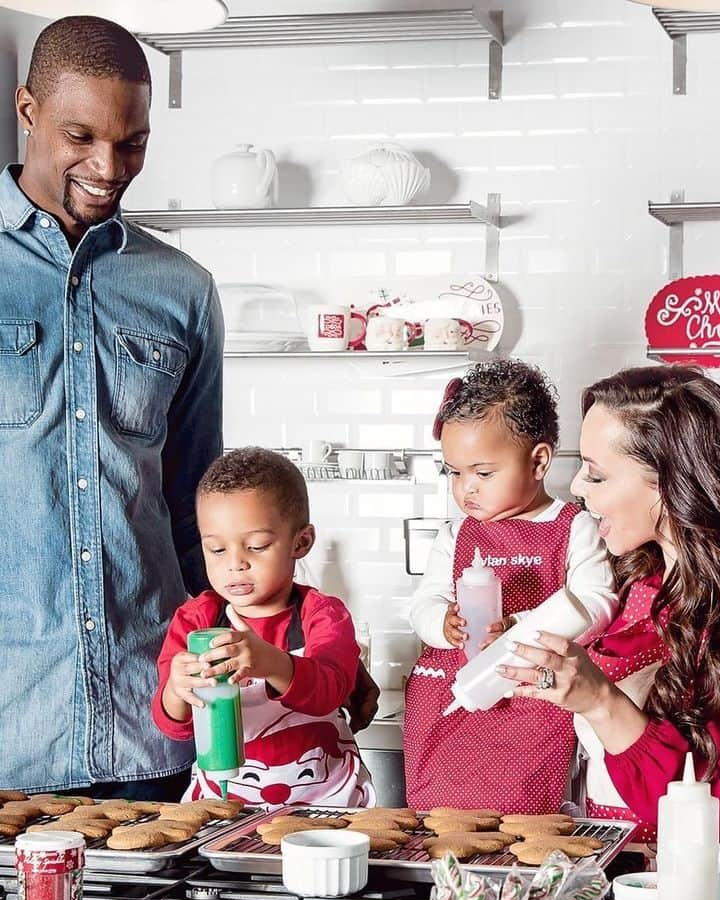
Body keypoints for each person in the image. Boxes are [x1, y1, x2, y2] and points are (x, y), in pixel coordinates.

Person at [0, 16, 223, 798]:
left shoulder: (182, 290)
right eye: (82, 136)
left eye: (132, 143)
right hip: (9, 729)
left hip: (148, 729)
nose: (108, 166)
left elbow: (200, 504)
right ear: (28, 111)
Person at [497, 365, 720, 850]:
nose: (575, 486)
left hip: (715, 883)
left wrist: (600, 701)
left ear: (671, 481)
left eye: (596, 473)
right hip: (620, 861)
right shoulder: (638, 581)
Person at [404, 360, 617, 813]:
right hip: (447, 696)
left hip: (529, 704)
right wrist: (443, 625)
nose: (466, 490)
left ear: (538, 461)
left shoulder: (573, 527)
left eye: (482, 473)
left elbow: (598, 602)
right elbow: (424, 603)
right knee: (443, 821)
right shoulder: (455, 534)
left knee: (522, 823)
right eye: (454, 473)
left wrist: (519, 626)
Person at [152, 448, 377, 807]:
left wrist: (270, 662)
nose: (236, 564)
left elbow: (329, 692)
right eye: (216, 549)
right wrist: (178, 690)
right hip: (227, 804)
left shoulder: (323, 615)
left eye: (256, 546)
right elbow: (173, 727)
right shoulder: (197, 620)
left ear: (300, 542)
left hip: (324, 803)